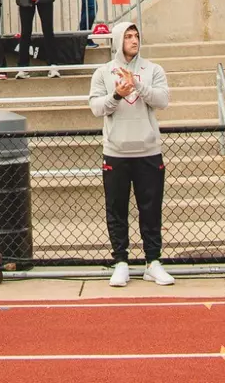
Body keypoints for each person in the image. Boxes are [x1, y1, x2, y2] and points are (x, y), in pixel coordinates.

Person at [89, 22, 174, 287]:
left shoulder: (153, 69)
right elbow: (96, 107)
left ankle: (153, 261)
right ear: (117, 40)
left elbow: (163, 101)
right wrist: (117, 94)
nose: (134, 40)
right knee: (116, 209)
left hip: (148, 150)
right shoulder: (103, 72)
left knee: (150, 209)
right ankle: (121, 262)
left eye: (136, 35)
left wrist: (138, 87)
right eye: (128, 36)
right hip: (116, 151)